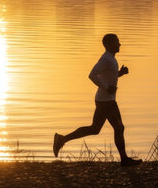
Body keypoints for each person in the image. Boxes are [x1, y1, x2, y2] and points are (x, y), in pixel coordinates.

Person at [52, 33, 142, 167]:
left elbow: (108, 75)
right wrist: (106, 88)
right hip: (105, 101)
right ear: (110, 44)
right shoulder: (106, 59)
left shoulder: (110, 58)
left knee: (100, 129)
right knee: (115, 127)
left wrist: (120, 73)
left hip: (107, 100)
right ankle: (124, 160)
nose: (120, 44)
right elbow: (92, 75)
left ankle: (62, 139)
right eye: (117, 42)